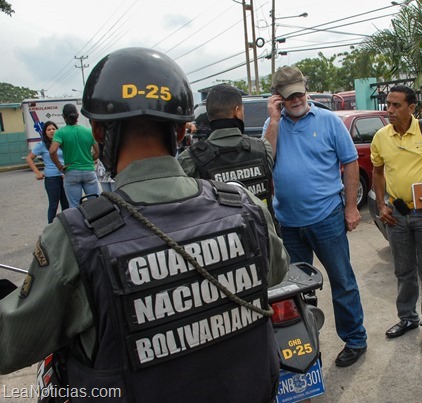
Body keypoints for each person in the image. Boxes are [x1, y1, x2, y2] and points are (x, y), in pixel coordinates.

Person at [0, 47, 289, 403]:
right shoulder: (241, 204)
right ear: (184, 130)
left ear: (98, 132)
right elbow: (275, 273)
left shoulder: (75, 237)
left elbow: (8, 345)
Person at [263, 65, 368, 367]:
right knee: (296, 292)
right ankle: (307, 344)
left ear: (306, 89)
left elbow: (350, 163)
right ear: (278, 98)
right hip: (289, 223)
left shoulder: (328, 121)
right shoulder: (274, 126)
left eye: (299, 92)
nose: (296, 99)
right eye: (288, 96)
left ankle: (355, 339)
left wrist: (350, 207)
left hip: (327, 218)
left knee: (341, 281)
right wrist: (273, 120)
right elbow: (265, 161)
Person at [370, 85, 422, 353]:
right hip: (396, 216)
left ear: (412, 107)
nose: (390, 110)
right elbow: (378, 172)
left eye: (396, 105)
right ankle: (407, 319)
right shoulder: (381, 137)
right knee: (403, 273)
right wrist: (381, 205)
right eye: (388, 104)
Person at [178, 83, 275, 218]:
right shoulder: (263, 148)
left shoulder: (189, 159)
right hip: (262, 235)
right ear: (237, 111)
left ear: (209, 116)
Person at [49, 103, 101, 207]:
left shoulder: (60, 133)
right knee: (96, 204)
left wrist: (59, 166)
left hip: (71, 171)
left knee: (74, 206)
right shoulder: (88, 131)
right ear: (77, 115)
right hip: (88, 171)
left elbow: (52, 151)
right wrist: (90, 159)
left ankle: (78, 223)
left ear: (63, 117)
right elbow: (98, 152)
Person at [25, 121, 69, 223]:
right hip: (52, 179)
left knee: (66, 205)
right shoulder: (42, 145)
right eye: (48, 130)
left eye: (53, 129)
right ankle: (51, 228)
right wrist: (37, 172)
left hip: (65, 177)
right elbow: (29, 158)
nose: (51, 131)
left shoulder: (62, 143)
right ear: (45, 132)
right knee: (53, 205)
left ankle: (67, 228)